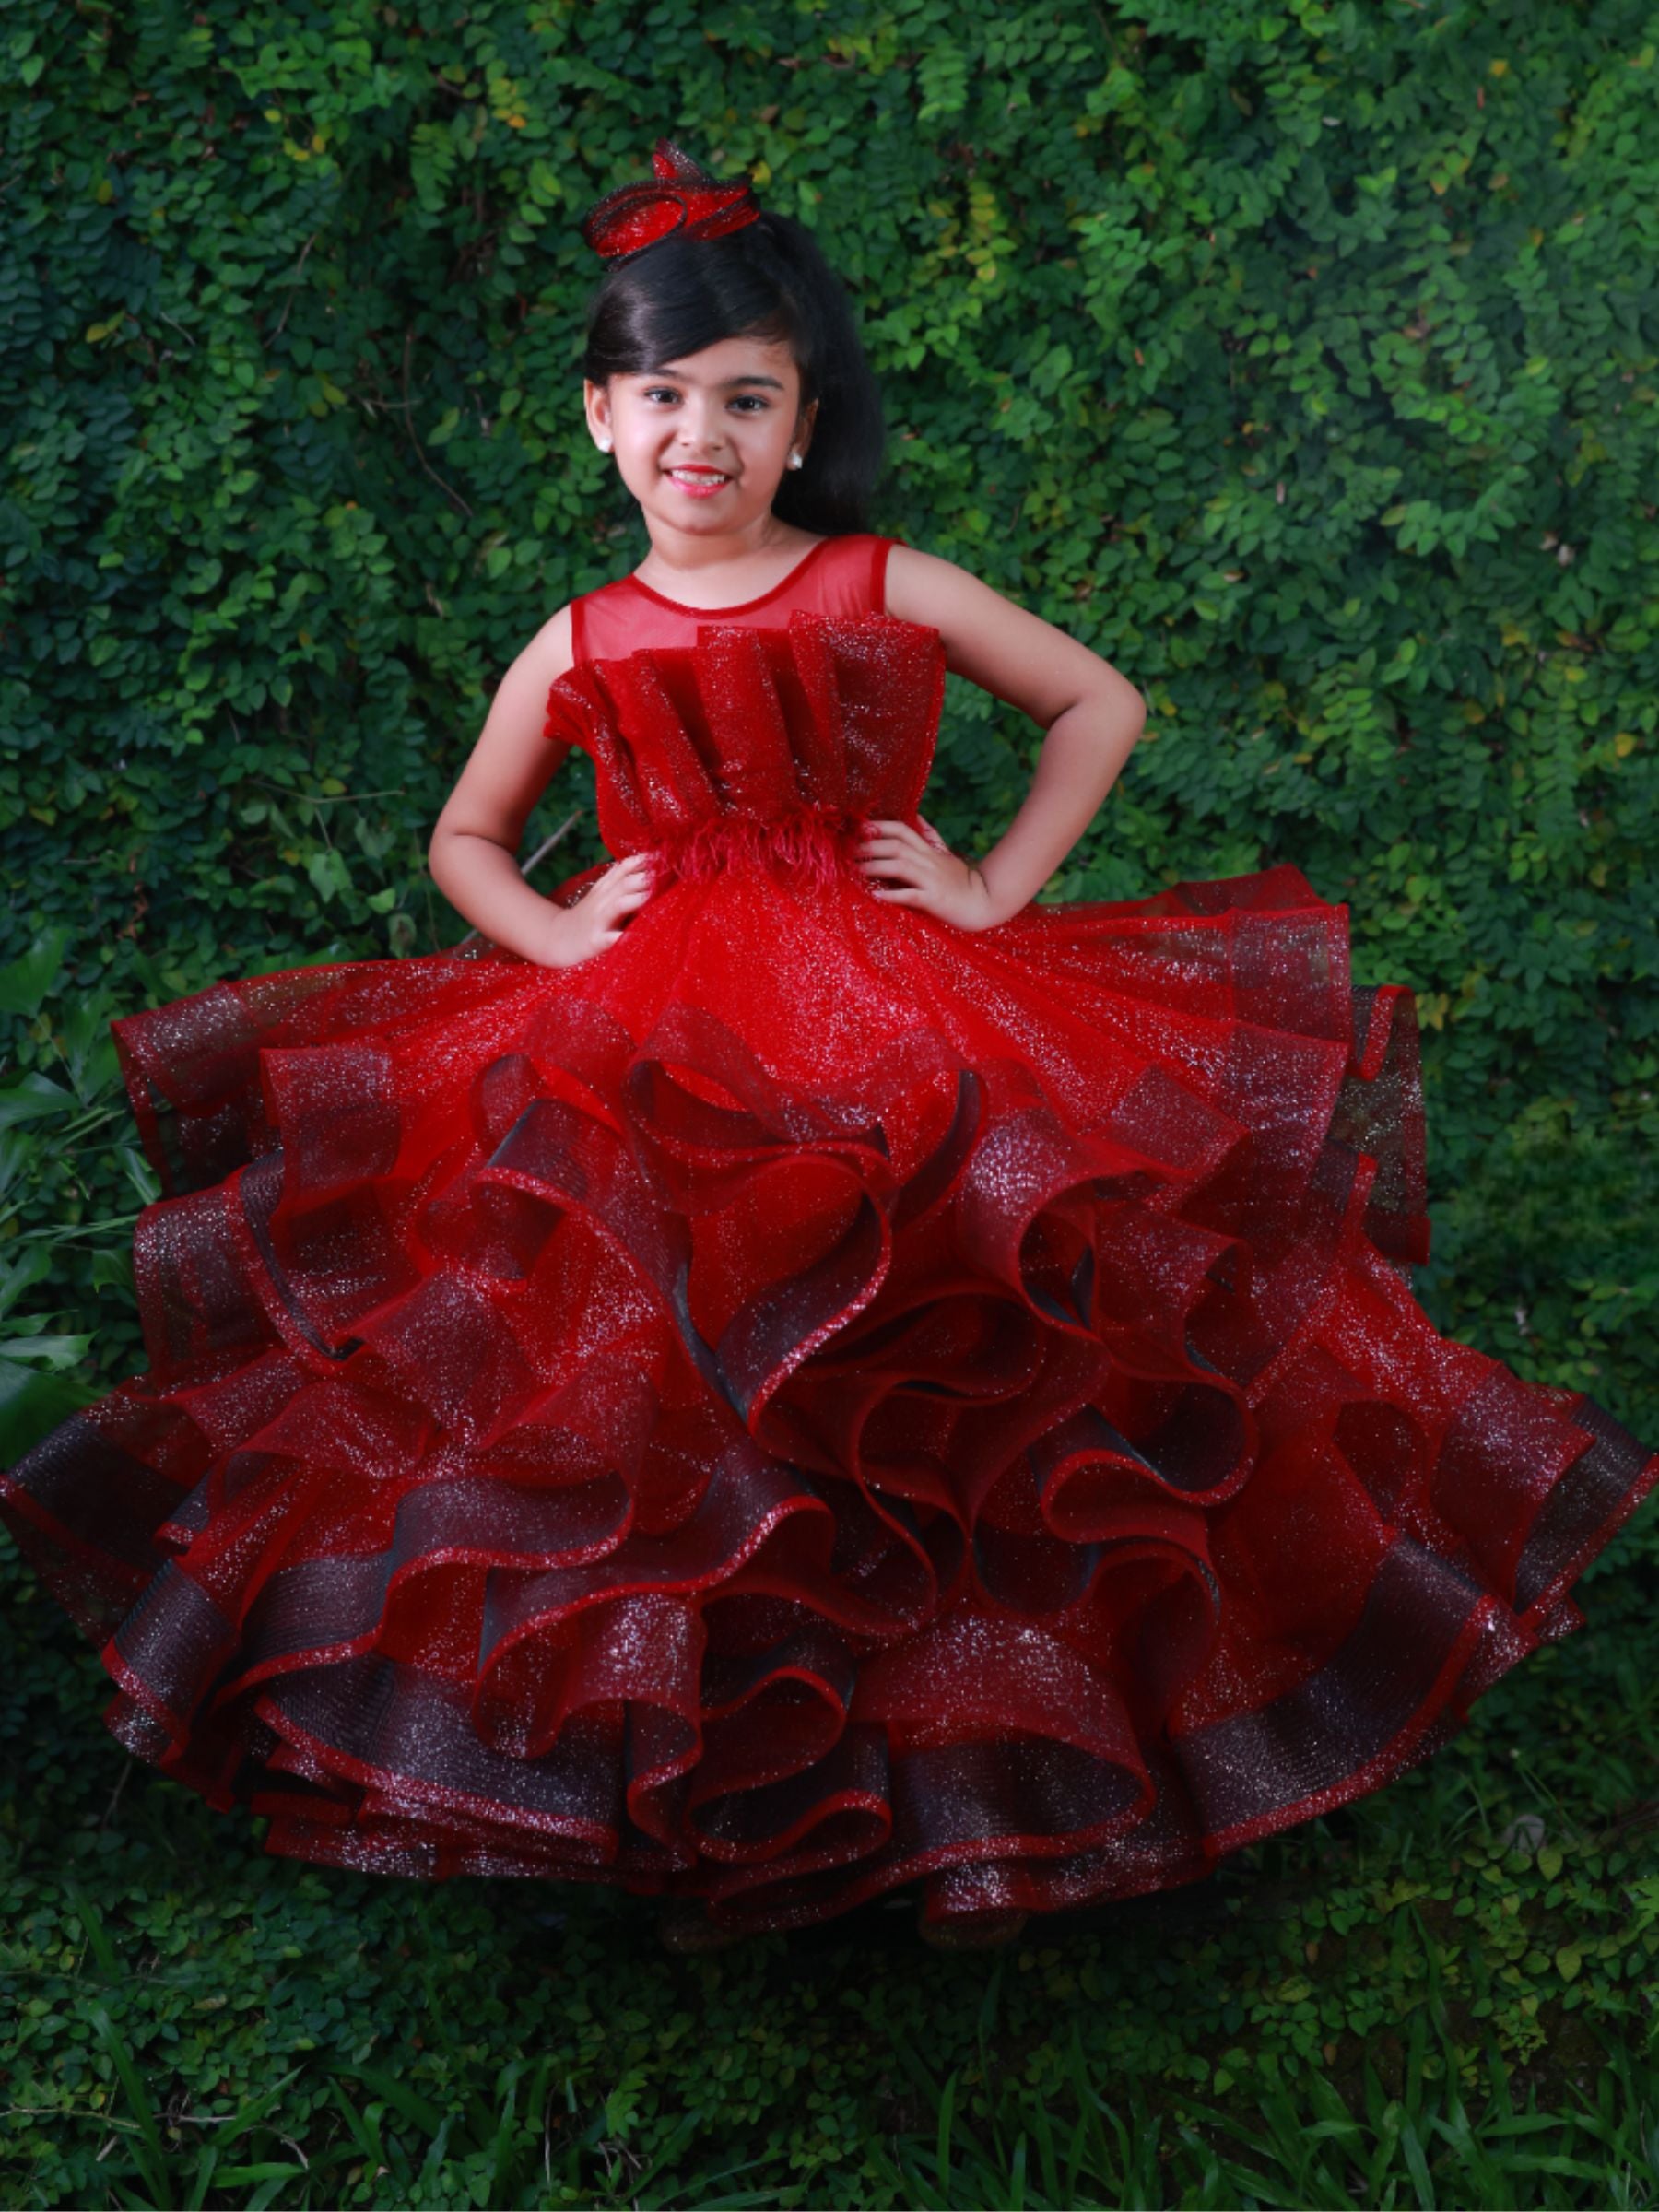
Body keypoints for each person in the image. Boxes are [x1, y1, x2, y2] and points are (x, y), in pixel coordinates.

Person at [3, 140, 1654, 1954]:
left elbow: (1098, 699)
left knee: (945, 1315)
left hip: (894, 991)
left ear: (799, 425)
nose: (695, 436)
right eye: (658, 397)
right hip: (653, 1017)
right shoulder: (581, 636)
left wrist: (996, 889)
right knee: (658, 1343)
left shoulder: (878, 584)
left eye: (743, 399)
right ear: (597, 418)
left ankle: (965, 1726)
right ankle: (707, 1726)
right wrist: (555, 933)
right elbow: (465, 837)